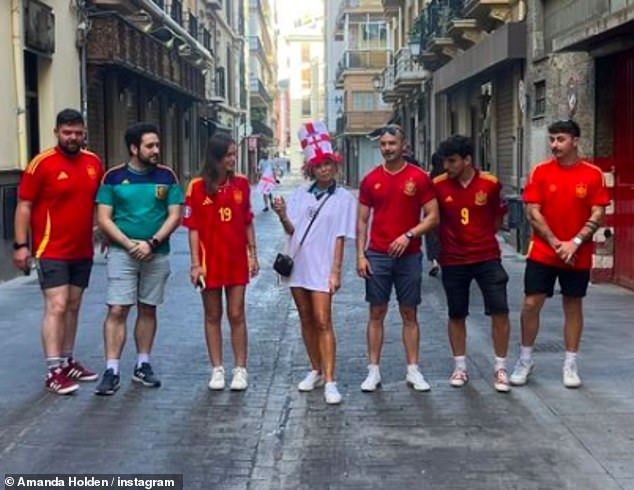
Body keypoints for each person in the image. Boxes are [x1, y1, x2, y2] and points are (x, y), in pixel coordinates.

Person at [510, 119, 609, 389]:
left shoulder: (592, 174)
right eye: (552, 139)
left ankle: (570, 363)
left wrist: (574, 242)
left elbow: (598, 213)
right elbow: (532, 211)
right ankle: (525, 359)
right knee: (531, 303)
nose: (555, 144)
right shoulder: (540, 172)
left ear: (575, 141)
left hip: (577, 252)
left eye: (561, 139)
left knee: (573, 304)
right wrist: (556, 243)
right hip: (544, 250)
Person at [13, 108, 104, 395]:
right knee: (57, 305)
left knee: (74, 305)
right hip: (50, 247)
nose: (72, 138)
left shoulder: (93, 162)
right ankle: (53, 370)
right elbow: (24, 205)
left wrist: (101, 229)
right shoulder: (41, 164)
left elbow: (98, 201)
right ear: (56, 133)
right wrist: (21, 245)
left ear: (84, 133)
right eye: (67, 133)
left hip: (82, 248)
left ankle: (67, 360)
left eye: (78, 133)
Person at [94, 123, 183, 396]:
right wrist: (129, 244)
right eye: (150, 146)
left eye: (157, 145)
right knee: (118, 309)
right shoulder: (113, 177)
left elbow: (175, 215)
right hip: (123, 253)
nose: (156, 150)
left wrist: (152, 242)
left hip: (157, 253)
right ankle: (112, 369)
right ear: (134, 148)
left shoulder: (167, 176)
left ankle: (143, 364)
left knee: (148, 308)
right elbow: (104, 218)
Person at [272, 121, 356, 405]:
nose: (324, 169)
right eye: (319, 166)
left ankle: (331, 380)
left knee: (323, 320)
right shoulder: (300, 194)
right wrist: (283, 214)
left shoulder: (344, 198)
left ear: (334, 166)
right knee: (306, 318)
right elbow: (292, 230)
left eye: (328, 164)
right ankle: (316, 369)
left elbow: (341, 237)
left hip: (323, 267)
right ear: (311, 169)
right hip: (299, 265)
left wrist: (335, 272)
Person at [356, 124, 440, 392]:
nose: (388, 149)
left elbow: (433, 217)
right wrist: (360, 255)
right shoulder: (370, 180)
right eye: (383, 144)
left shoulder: (419, 178)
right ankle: (373, 371)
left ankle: (413, 370)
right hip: (378, 255)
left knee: (409, 312)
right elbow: (361, 221)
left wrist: (409, 235)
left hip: (409, 255)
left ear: (403, 146)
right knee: (376, 312)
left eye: (392, 144)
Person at [433, 135, 511, 392]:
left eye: (453, 161)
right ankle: (460, 366)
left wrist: (482, 238)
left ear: (467, 160)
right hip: (454, 259)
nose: (448, 166)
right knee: (456, 313)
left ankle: (500, 367)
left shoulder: (490, 184)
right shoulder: (438, 185)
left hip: (486, 257)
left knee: (499, 311)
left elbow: (497, 220)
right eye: (445, 161)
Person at [183, 134, 259, 391]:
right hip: (209, 261)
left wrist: (253, 254)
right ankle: (217, 368)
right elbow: (193, 228)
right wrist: (195, 264)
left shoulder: (241, 184)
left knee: (237, 313)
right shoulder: (196, 187)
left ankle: (240, 368)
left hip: (236, 259)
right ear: (215, 157)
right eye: (228, 155)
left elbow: (247, 220)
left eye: (234, 154)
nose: (232, 159)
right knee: (212, 314)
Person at [425, 152, 444, 277]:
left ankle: (434, 262)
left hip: (430, 210)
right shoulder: (447, 176)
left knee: (431, 237)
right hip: (446, 210)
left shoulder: (429, 177)